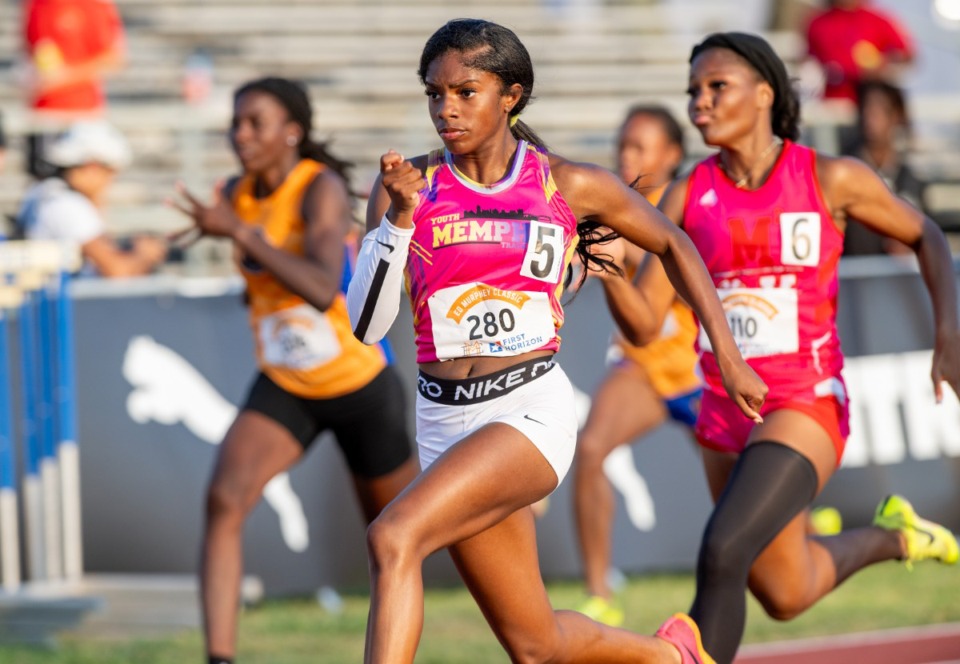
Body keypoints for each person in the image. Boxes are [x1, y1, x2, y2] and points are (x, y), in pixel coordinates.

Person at [346, 18, 767, 664]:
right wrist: (398, 224)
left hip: (526, 412)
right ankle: (670, 657)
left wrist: (728, 356)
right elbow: (368, 326)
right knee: (534, 645)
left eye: (466, 92)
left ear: (510, 95)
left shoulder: (565, 184)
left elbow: (674, 242)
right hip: (441, 422)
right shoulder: (408, 187)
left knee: (393, 537)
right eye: (434, 94)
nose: (445, 109)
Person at [615, 32, 959, 664]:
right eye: (694, 90)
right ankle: (894, 540)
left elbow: (927, 235)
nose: (700, 103)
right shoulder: (688, 195)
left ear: (764, 93)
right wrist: (608, 264)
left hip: (806, 400)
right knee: (784, 590)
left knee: (722, 548)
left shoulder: (830, 177)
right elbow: (642, 325)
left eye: (717, 87)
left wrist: (948, 336)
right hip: (724, 409)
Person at [168, 76, 419, 664]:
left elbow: (318, 284)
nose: (241, 134)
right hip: (286, 384)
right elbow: (264, 285)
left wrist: (241, 235)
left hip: (358, 385)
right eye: (235, 122)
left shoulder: (320, 187)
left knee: (403, 538)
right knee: (225, 500)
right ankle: (220, 657)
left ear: (292, 131)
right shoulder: (234, 192)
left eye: (255, 122)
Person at [571, 104, 702, 627]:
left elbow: (657, 269)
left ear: (671, 154)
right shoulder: (609, 207)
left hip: (700, 369)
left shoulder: (689, 204)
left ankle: (806, 528)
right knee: (592, 448)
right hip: (642, 367)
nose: (626, 156)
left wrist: (611, 253)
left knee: (754, 475)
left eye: (638, 146)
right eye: (622, 145)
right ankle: (600, 591)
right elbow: (582, 264)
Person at [16, 120, 168, 277]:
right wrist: (144, 256)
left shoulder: (47, 193)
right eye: (109, 170)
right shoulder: (68, 205)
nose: (111, 179)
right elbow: (117, 272)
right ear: (91, 166)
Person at [22, 0, 127, 179]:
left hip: (82, 115)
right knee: (44, 185)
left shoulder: (94, 5)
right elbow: (33, 51)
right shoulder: (36, 5)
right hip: (44, 115)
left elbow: (113, 58)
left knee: (84, 186)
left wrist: (65, 78)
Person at [841, 80, 926, 255]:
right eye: (866, 107)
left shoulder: (910, 180)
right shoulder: (843, 175)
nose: (869, 116)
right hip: (854, 278)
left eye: (878, 109)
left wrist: (910, 244)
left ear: (895, 116)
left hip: (899, 279)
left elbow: (927, 237)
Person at [804, 0, 914, 105]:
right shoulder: (817, 23)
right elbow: (807, 63)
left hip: (870, 106)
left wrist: (882, 65)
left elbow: (907, 55)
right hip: (833, 104)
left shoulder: (877, 20)